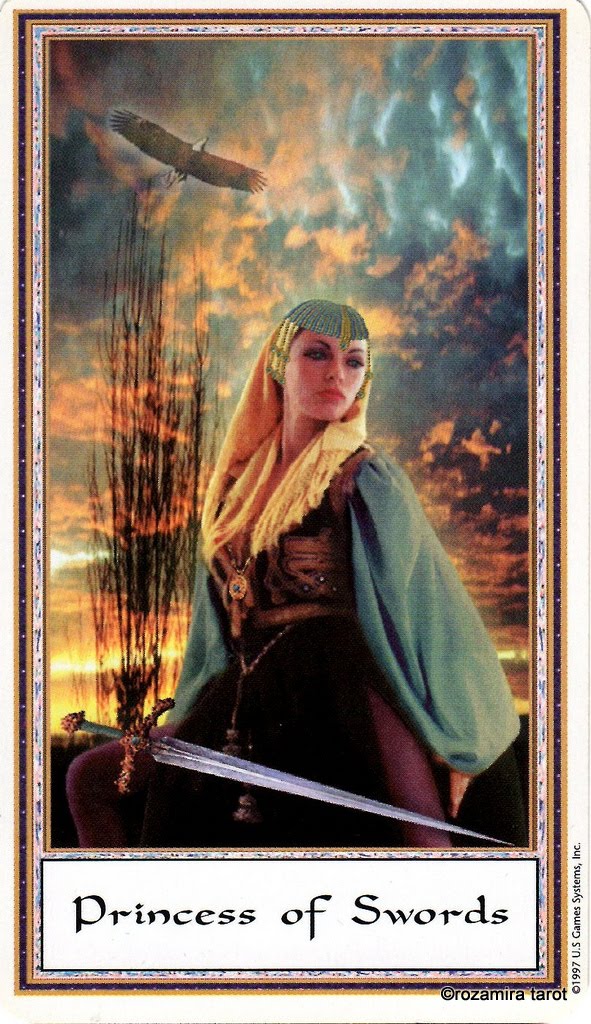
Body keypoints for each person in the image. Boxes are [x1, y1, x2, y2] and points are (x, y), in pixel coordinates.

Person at [67, 299, 526, 849]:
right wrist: (193, 711)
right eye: (318, 354)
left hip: (343, 688)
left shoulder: (361, 477)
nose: (338, 374)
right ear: (278, 364)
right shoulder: (233, 490)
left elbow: (423, 609)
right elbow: (216, 632)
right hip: (238, 693)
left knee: (422, 837)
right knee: (89, 779)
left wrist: (447, 731)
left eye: (354, 361)